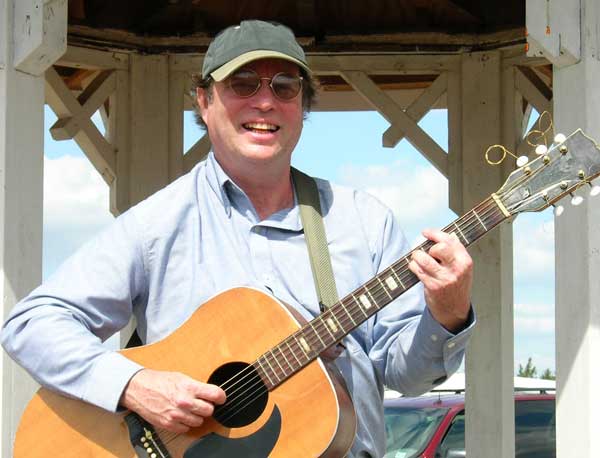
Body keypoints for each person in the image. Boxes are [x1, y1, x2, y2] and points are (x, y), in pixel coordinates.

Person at [1, 20, 474, 457]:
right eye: (242, 84)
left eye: (284, 87)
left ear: (302, 107)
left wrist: (447, 314)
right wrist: (135, 384)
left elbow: (406, 377)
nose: (265, 102)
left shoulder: (364, 221)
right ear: (203, 102)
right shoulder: (158, 223)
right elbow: (31, 324)